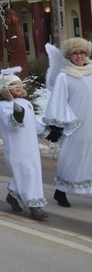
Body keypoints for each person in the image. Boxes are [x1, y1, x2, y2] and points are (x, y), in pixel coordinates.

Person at [0, 70, 49, 220]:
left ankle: (13, 195)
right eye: (13, 84)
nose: (18, 87)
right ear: (5, 88)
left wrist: (49, 130)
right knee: (27, 173)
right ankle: (34, 206)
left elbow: (34, 124)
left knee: (31, 172)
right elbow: (11, 124)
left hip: (31, 147)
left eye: (19, 84)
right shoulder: (2, 105)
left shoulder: (26, 103)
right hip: (16, 148)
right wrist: (16, 116)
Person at [44, 37, 92, 207]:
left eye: (82, 53)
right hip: (75, 125)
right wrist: (56, 125)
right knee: (71, 157)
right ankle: (61, 190)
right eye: (75, 53)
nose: (79, 56)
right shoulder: (64, 76)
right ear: (69, 56)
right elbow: (58, 101)